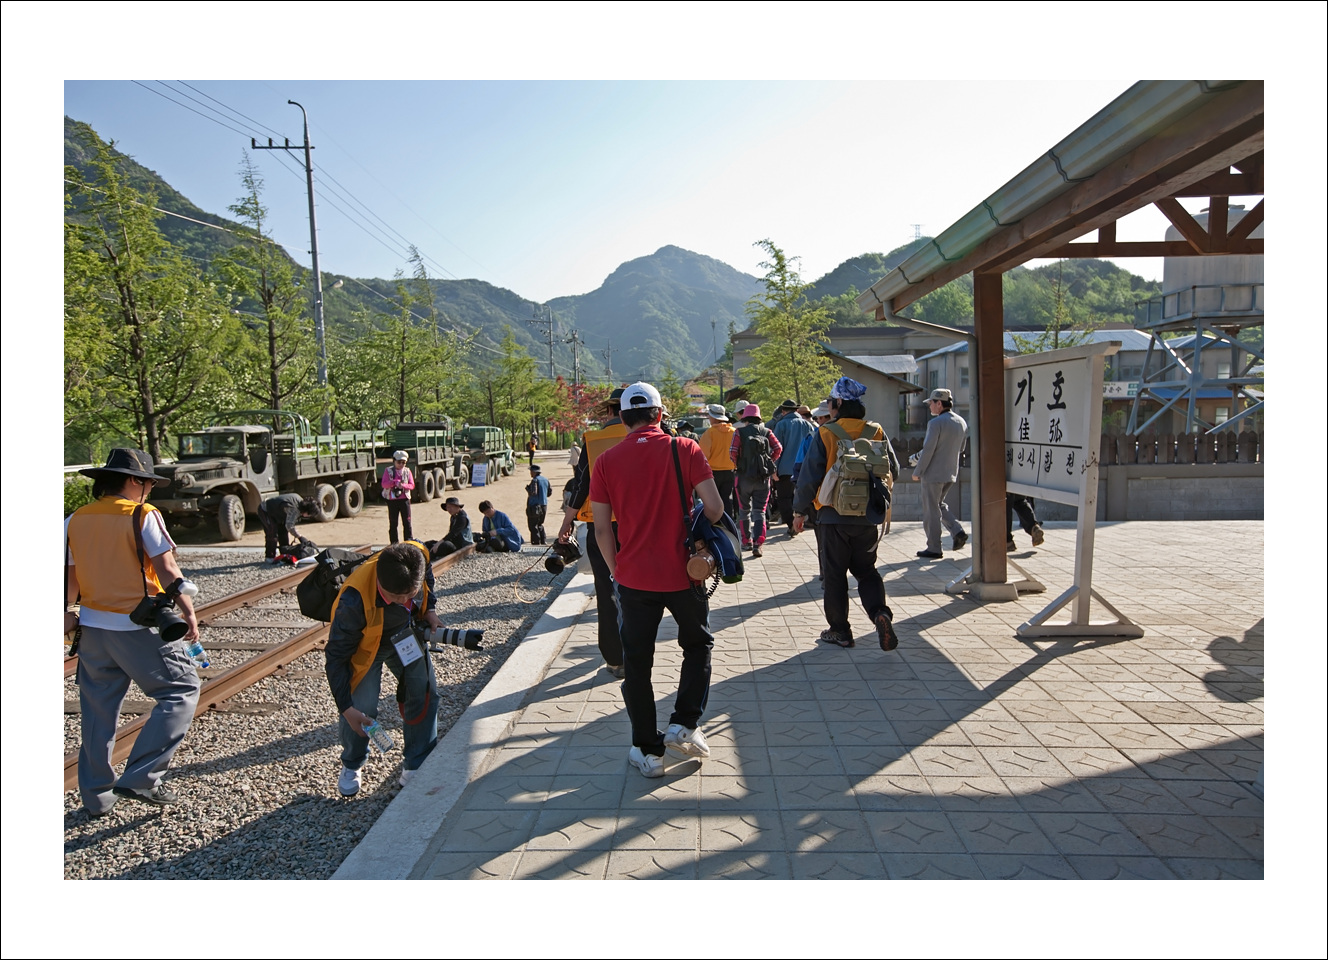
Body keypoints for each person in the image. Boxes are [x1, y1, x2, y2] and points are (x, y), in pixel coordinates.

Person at [589, 381, 725, 778]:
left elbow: (601, 530)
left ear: (622, 417)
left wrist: (616, 572)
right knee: (697, 644)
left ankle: (649, 753)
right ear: (660, 414)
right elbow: (714, 508)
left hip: (633, 578)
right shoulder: (685, 448)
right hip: (685, 573)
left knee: (637, 662)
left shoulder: (606, 461)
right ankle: (684, 724)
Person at [66, 448, 202, 814]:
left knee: (97, 712)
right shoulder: (143, 515)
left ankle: (97, 797)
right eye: (148, 483)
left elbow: (70, 576)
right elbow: (168, 569)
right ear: (133, 481)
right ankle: (142, 777)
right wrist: (188, 610)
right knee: (181, 691)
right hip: (137, 626)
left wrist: (66, 612)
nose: (150, 490)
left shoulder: (75, 519)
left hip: (92, 630)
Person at [325, 541, 443, 795]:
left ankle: (417, 763)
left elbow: (427, 575)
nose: (403, 601)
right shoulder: (353, 601)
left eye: (409, 596)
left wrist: (430, 609)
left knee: (424, 692)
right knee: (361, 707)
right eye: (395, 597)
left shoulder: (417, 555)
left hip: (405, 637)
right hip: (367, 647)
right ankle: (352, 763)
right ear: (379, 581)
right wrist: (346, 708)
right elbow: (335, 657)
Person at [792, 377, 900, 652]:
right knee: (866, 571)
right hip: (868, 516)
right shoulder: (876, 431)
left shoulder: (826, 433)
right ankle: (880, 613)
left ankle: (840, 631)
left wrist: (799, 512)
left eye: (830, 401)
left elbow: (809, 477)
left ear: (838, 403)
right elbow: (894, 470)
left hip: (832, 517)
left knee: (835, 575)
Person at [558, 388, 628, 678]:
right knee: (639, 589)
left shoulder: (594, 440)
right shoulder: (651, 437)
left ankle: (615, 658)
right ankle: (638, 651)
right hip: (640, 526)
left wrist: (567, 521)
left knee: (606, 589)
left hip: (602, 526)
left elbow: (581, 484)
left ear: (610, 411)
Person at [913, 388, 969, 560]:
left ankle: (934, 547)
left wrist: (918, 471)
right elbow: (962, 449)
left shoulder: (935, 423)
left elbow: (928, 450)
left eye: (931, 402)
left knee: (931, 510)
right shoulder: (961, 422)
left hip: (933, 474)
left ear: (939, 403)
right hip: (951, 472)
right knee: (938, 505)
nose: (930, 406)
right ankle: (957, 531)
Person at [728, 402, 782, 558]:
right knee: (760, 511)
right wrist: (768, 462)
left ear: (745, 418)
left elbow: (732, 452)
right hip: (762, 478)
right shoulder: (767, 432)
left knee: (744, 511)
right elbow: (778, 448)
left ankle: (746, 542)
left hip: (743, 477)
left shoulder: (739, 432)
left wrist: (739, 464)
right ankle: (758, 543)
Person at [794, 403, 833, 580]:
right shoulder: (861, 432)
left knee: (823, 537)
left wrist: (800, 510)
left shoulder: (814, 436)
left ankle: (826, 572)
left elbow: (801, 471)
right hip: (853, 498)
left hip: (821, 497)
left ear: (824, 418)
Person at [772, 398, 815, 536]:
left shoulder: (781, 424)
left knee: (784, 498)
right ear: (796, 410)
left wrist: (774, 468)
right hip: (803, 468)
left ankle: (791, 524)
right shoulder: (808, 425)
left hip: (784, 468)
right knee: (801, 496)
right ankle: (802, 521)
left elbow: (777, 449)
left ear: (783, 411)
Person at [697, 403, 738, 524]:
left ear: (713, 418)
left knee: (713, 500)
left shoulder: (709, 433)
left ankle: (716, 524)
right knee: (727, 499)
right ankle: (728, 522)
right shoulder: (734, 432)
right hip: (730, 471)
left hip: (713, 472)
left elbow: (703, 456)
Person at [257, 492, 318, 561]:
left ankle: (284, 554)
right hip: (265, 510)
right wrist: (299, 537)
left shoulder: (300, 501)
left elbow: (287, 525)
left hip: (278, 513)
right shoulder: (294, 508)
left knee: (283, 532)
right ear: (307, 511)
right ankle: (269, 557)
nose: (308, 516)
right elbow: (289, 526)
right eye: (309, 515)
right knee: (272, 533)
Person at [381, 451, 416, 544]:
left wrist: (403, 485)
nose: (401, 465)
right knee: (393, 523)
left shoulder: (407, 471)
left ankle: (408, 542)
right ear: (394, 461)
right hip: (392, 500)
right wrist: (393, 483)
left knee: (407, 522)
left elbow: (412, 485)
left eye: (403, 462)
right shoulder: (388, 471)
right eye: (399, 462)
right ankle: (394, 543)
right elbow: (384, 484)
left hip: (404, 500)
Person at [525, 464, 552, 545]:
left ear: (534, 472)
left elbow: (533, 492)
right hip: (544, 505)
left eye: (531, 471)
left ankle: (536, 542)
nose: (530, 473)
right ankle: (543, 540)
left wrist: (528, 489)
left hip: (535, 506)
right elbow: (549, 493)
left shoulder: (535, 480)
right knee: (540, 524)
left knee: (533, 525)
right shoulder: (545, 480)